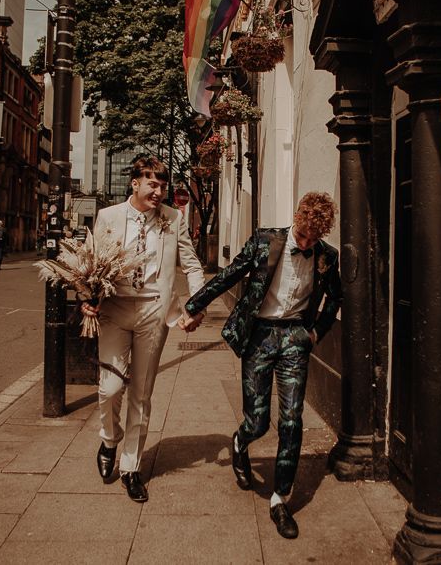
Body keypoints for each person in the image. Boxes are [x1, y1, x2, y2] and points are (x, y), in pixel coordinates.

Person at [180, 192, 342, 539]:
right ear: (296, 217)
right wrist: (194, 305)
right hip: (259, 337)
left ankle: (280, 499)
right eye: (303, 234)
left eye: (314, 238)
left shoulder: (328, 257)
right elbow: (229, 275)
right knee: (258, 422)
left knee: (291, 420)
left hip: (295, 339)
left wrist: (315, 334)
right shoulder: (265, 240)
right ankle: (241, 442)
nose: (307, 241)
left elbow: (335, 298)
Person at [81, 157, 205, 503]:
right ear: (134, 183)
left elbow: (191, 265)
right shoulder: (108, 217)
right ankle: (109, 439)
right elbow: (91, 263)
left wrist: (195, 304)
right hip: (115, 310)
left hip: (154, 310)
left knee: (141, 393)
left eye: (163, 185)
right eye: (153, 184)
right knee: (109, 388)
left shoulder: (174, 218)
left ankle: (131, 467)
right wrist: (86, 298)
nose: (159, 191)